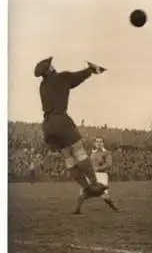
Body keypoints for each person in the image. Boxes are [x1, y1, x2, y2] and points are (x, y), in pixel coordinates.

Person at [35, 57, 108, 198]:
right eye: (51, 65)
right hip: (61, 121)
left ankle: (86, 189)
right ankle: (94, 185)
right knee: (79, 152)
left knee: (68, 159)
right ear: (50, 69)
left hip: (48, 126)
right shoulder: (61, 78)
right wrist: (92, 70)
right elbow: (77, 78)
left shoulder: (42, 86)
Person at [73, 136, 120, 214]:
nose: (99, 143)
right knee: (83, 190)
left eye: (101, 142)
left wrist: (98, 168)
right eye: (97, 142)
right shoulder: (92, 152)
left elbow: (109, 164)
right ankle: (77, 210)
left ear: (103, 143)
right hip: (91, 174)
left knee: (103, 193)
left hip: (102, 175)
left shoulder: (106, 152)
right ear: (94, 143)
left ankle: (115, 209)